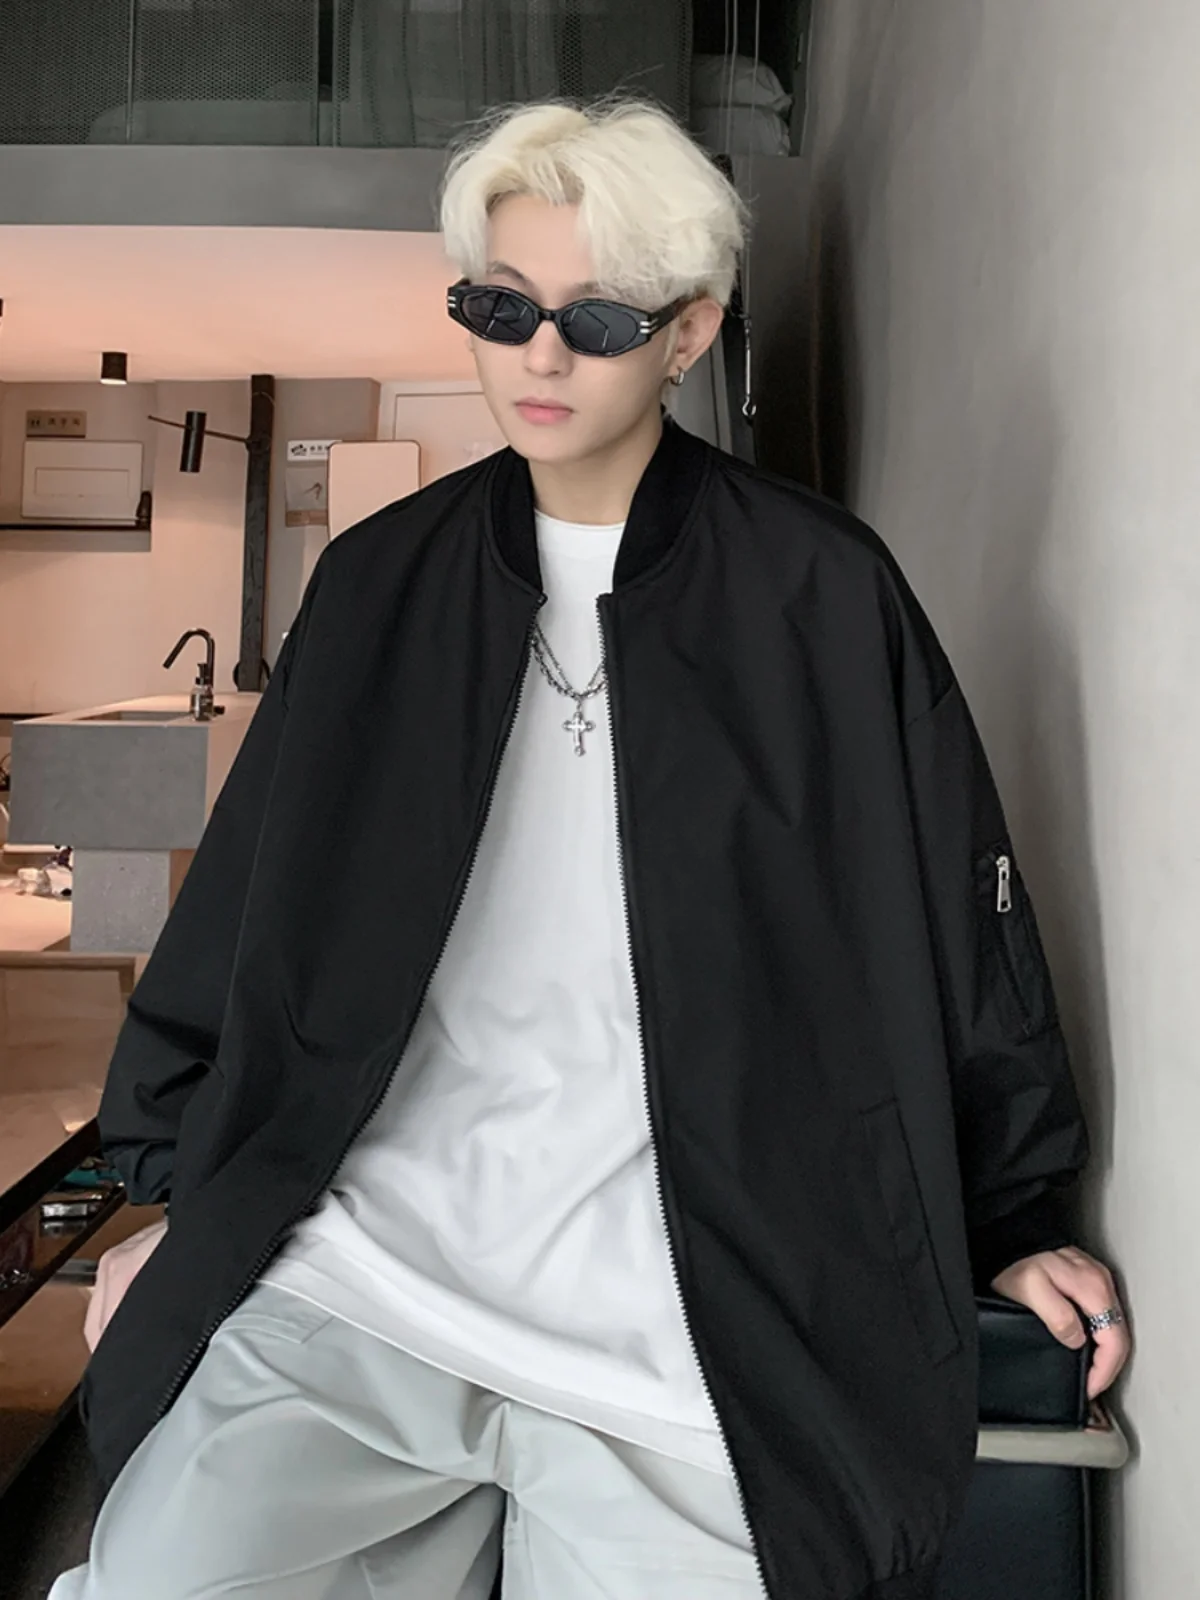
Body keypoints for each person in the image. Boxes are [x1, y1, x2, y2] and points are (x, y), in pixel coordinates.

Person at [54, 95, 1130, 1600]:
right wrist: (181, 1198)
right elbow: (249, 903)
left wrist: (1011, 1216)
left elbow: (955, 917)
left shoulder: (821, 593)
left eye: (599, 319)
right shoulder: (380, 585)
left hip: (695, 1306)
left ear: (689, 335)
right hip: (370, 1273)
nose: (541, 356)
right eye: (502, 308)